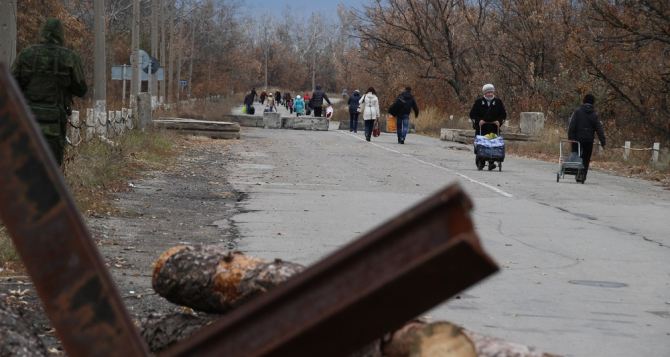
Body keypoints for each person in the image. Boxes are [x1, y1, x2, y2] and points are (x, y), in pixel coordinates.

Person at [11, 18, 87, 167]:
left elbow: (11, 85)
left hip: (26, 122)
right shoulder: (69, 57)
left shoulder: (26, 54)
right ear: (61, 35)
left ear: (42, 33)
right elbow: (81, 89)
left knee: (24, 168)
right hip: (54, 125)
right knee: (51, 169)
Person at [568, 94, 606, 183]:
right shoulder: (594, 114)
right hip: (588, 140)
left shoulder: (577, 112)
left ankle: (577, 173)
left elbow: (572, 125)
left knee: (576, 155)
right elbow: (599, 129)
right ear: (593, 103)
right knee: (586, 158)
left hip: (577, 139)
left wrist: (571, 137)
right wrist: (603, 141)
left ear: (583, 101)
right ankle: (583, 175)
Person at [469, 83, 507, 170]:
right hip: (482, 129)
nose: (490, 94)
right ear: (484, 93)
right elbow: (472, 114)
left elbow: (503, 114)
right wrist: (479, 121)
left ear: (493, 92)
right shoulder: (478, 102)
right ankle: (481, 161)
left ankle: (491, 162)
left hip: (493, 128)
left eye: (491, 92)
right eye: (488, 92)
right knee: (481, 145)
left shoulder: (498, 102)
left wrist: (499, 121)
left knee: (493, 145)